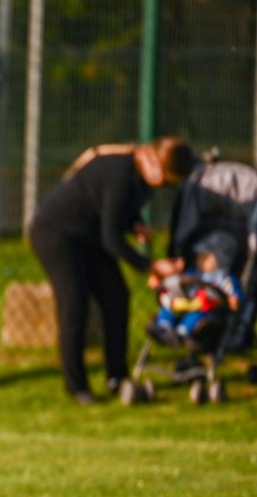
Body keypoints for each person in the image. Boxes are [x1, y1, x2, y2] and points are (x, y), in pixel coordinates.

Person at [27, 138, 196, 403]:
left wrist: (135, 223)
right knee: (75, 305)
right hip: (57, 234)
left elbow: (111, 211)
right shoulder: (119, 174)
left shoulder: (139, 178)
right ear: (152, 161)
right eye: (164, 180)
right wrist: (150, 266)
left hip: (89, 235)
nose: (164, 186)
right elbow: (112, 238)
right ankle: (77, 386)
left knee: (117, 297)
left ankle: (117, 377)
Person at [148, 232, 242, 347]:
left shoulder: (223, 278)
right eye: (199, 256)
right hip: (184, 301)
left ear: (221, 260)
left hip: (206, 307)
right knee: (168, 306)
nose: (200, 260)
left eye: (205, 258)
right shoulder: (193, 272)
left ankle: (182, 333)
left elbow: (233, 292)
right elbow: (179, 282)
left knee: (196, 314)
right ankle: (163, 326)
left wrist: (234, 299)